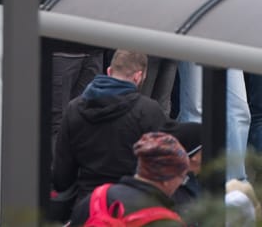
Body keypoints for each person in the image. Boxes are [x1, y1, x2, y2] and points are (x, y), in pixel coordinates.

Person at [51, 50, 180, 221]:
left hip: (87, 210)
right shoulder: (149, 111)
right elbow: (164, 169)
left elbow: (61, 177)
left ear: (109, 71)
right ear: (139, 76)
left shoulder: (74, 109)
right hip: (131, 212)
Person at [70, 132, 189, 227]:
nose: (180, 184)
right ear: (166, 178)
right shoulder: (166, 221)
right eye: (182, 178)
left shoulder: (96, 198)